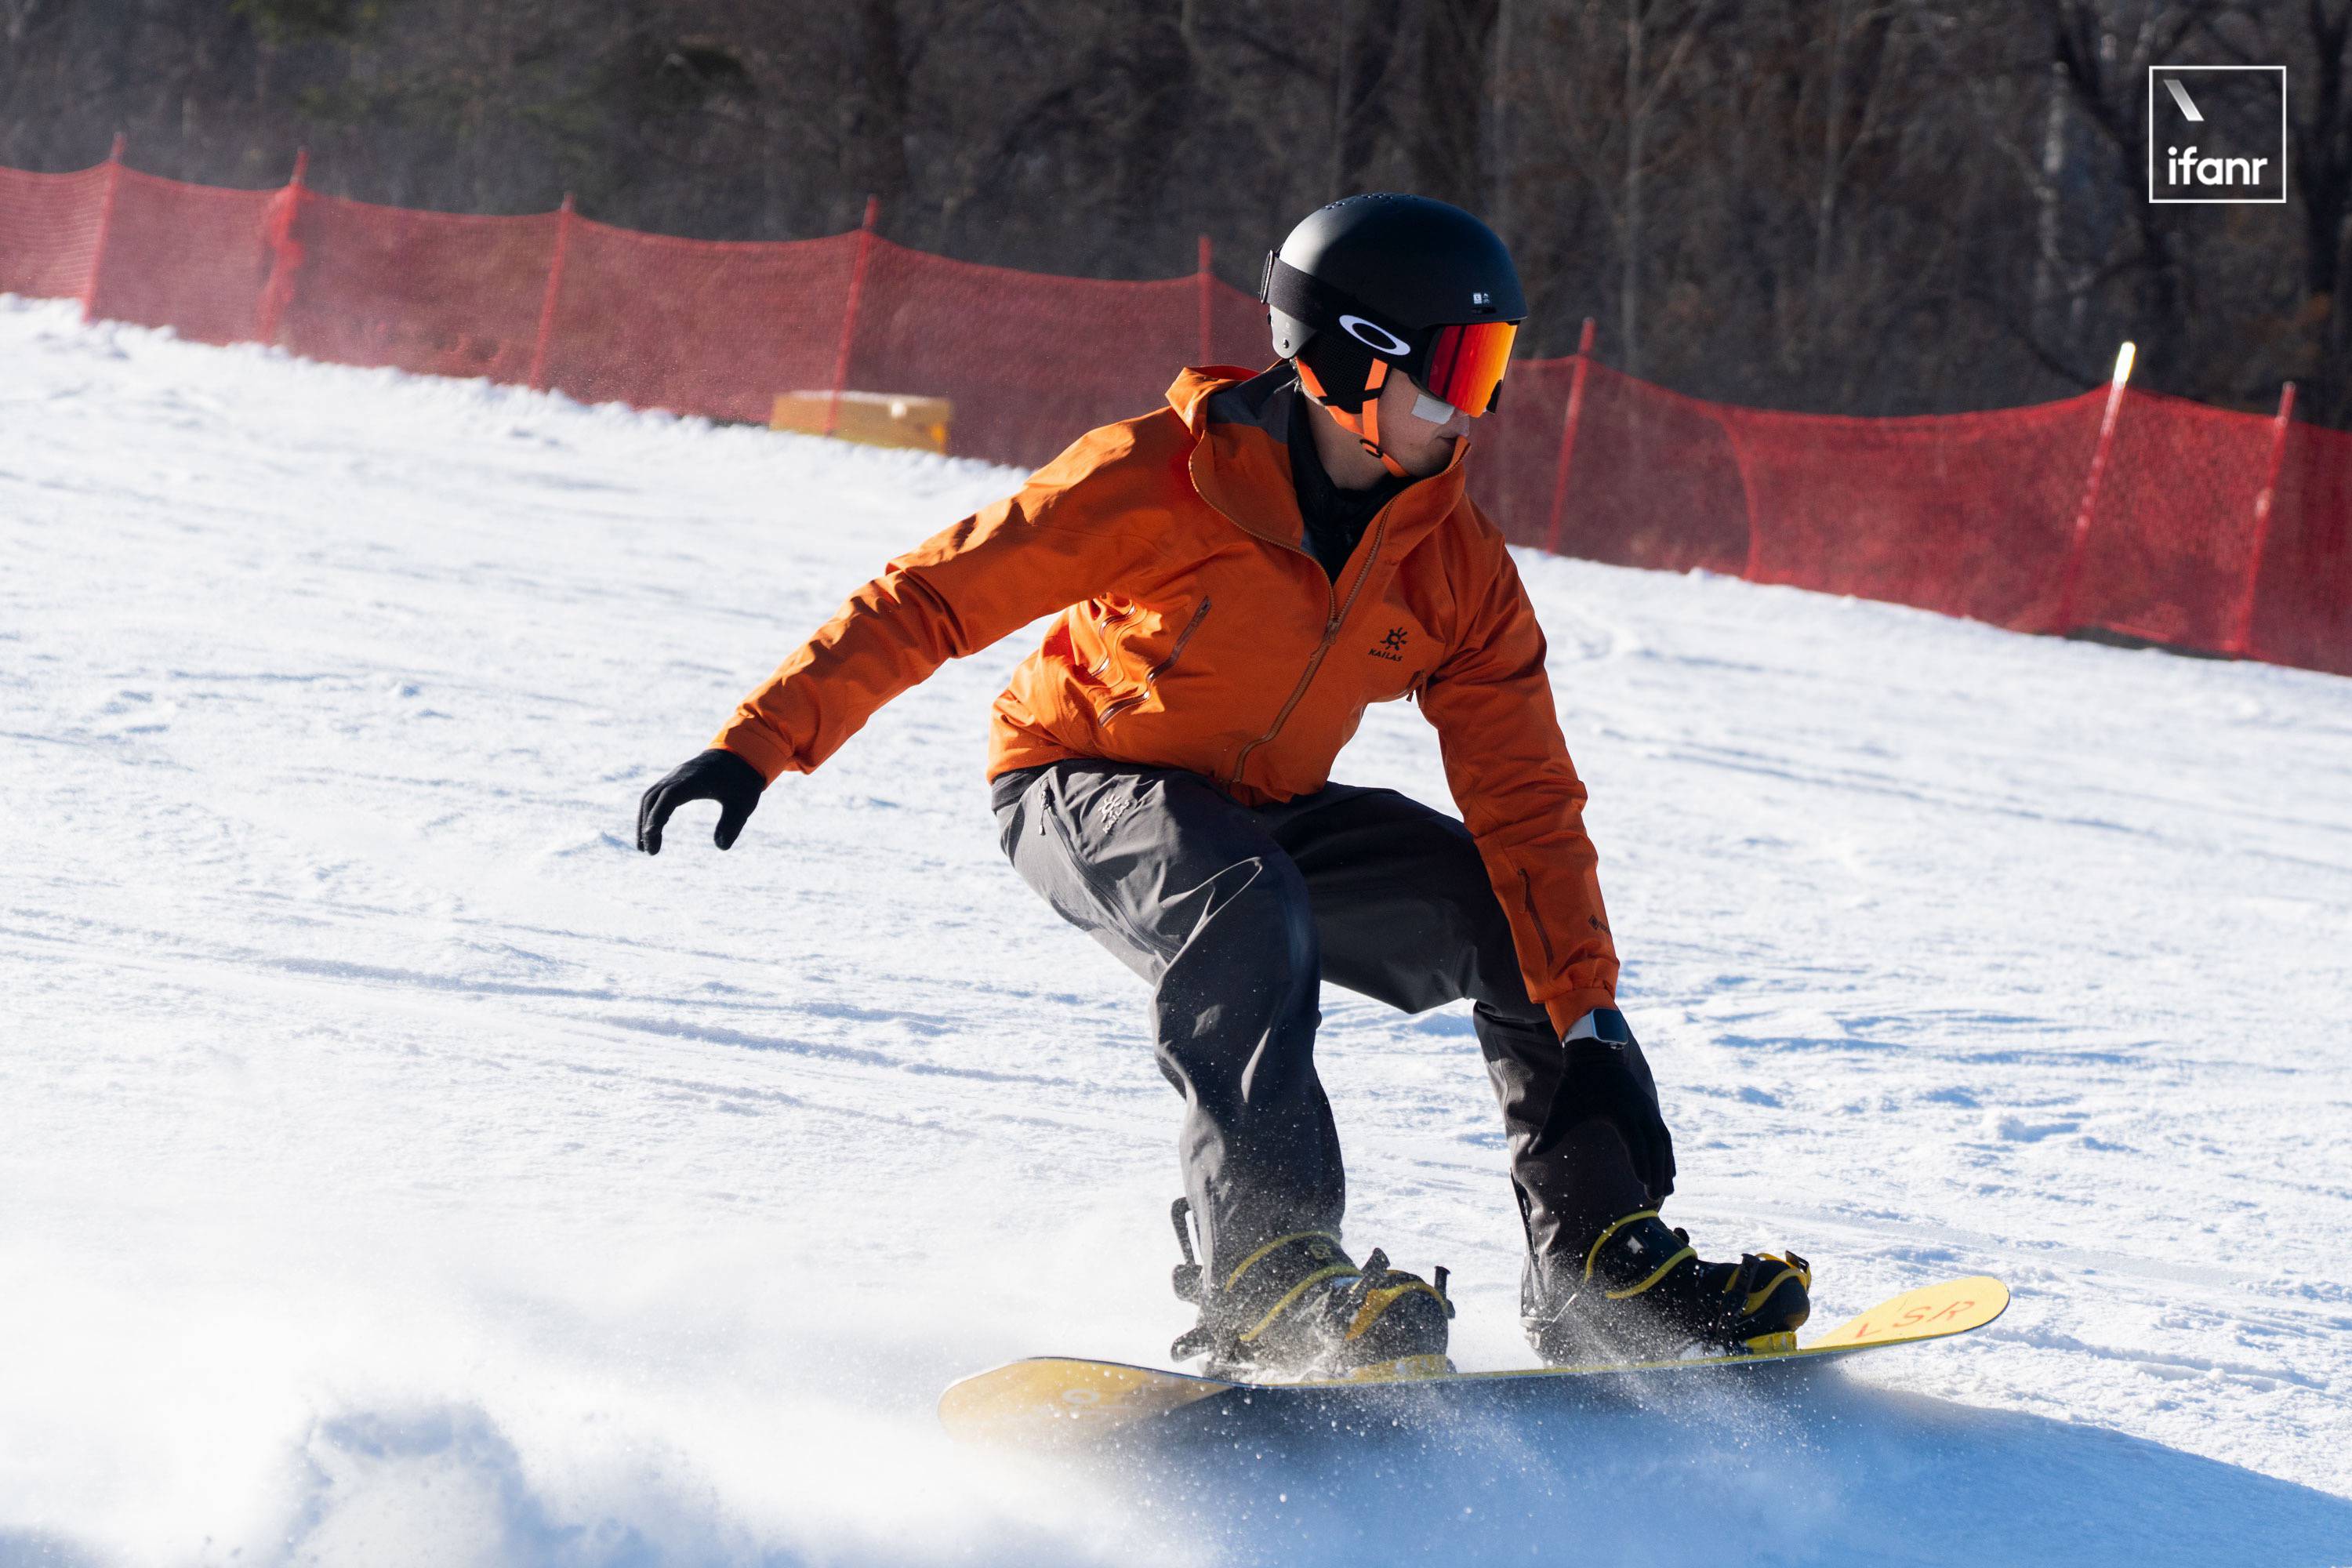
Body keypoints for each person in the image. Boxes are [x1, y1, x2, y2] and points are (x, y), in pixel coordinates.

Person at [637, 194, 1810, 1381]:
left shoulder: (1450, 558)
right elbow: (935, 596)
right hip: (1082, 779)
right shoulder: (1159, 479)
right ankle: (1266, 1266)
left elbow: (1529, 802)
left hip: (1265, 812)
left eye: (1492, 366)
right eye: (1453, 367)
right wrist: (758, 743)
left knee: (1506, 911)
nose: (1473, 406)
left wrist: (1592, 1019)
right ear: (1353, 358)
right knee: (1241, 900)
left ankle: (1598, 1268)